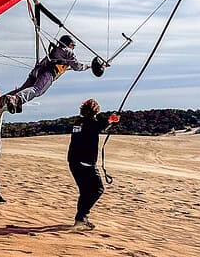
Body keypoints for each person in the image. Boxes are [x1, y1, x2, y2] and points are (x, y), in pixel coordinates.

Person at [67, 99, 119, 230]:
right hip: (86, 163)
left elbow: (96, 127)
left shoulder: (78, 123)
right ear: (95, 111)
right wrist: (111, 119)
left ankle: (81, 219)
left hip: (73, 162)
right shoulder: (91, 123)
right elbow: (98, 126)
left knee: (85, 191)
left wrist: (110, 121)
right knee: (97, 189)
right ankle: (81, 217)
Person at [6, 35, 92, 113]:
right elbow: (77, 66)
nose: (73, 48)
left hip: (37, 71)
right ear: (69, 44)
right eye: (73, 46)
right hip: (47, 73)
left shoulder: (56, 50)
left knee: (23, 89)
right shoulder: (68, 51)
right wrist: (89, 66)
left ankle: (3, 100)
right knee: (37, 90)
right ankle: (16, 98)